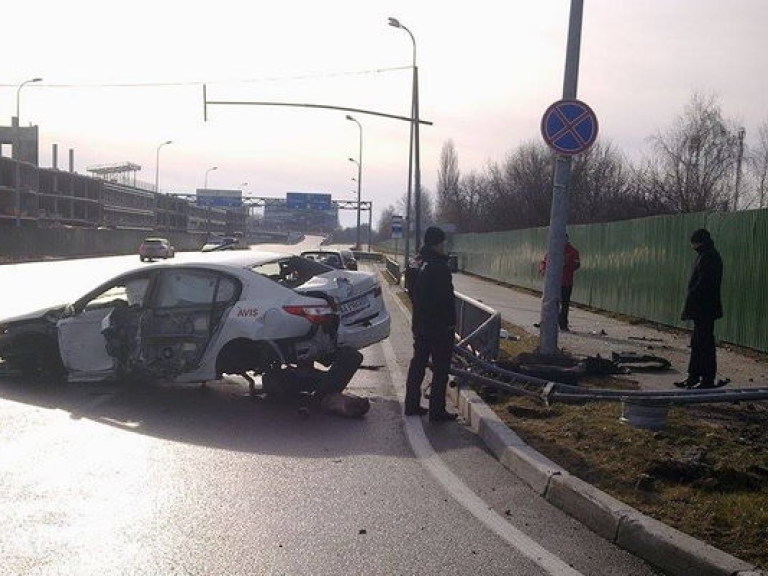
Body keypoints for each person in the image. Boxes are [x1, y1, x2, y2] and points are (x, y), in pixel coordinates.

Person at [405, 226, 458, 422]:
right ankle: (437, 410)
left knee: (418, 364)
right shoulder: (439, 266)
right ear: (437, 243)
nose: (445, 246)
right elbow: (445, 299)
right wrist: (450, 323)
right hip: (439, 327)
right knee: (440, 368)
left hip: (420, 323)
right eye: (443, 243)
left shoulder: (416, 263)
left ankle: (411, 405)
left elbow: (411, 293)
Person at [675, 228, 724, 389]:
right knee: (697, 343)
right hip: (702, 308)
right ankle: (694, 376)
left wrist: (691, 303)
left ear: (700, 242)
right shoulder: (705, 256)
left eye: (694, 243)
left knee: (704, 344)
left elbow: (703, 285)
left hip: (705, 308)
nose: (692, 246)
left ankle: (706, 378)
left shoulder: (709, 257)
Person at [539, 235, 581, 331]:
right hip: (553, 282)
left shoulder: (572, 252)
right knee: (550, 302)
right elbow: (544, 262)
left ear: (567, 240)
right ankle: (547, 322)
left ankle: (563, 324)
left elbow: (577, 264)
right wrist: (543, 270)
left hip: (566, 282)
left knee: (564, 304)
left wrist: (567, 264)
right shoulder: (553, 250)